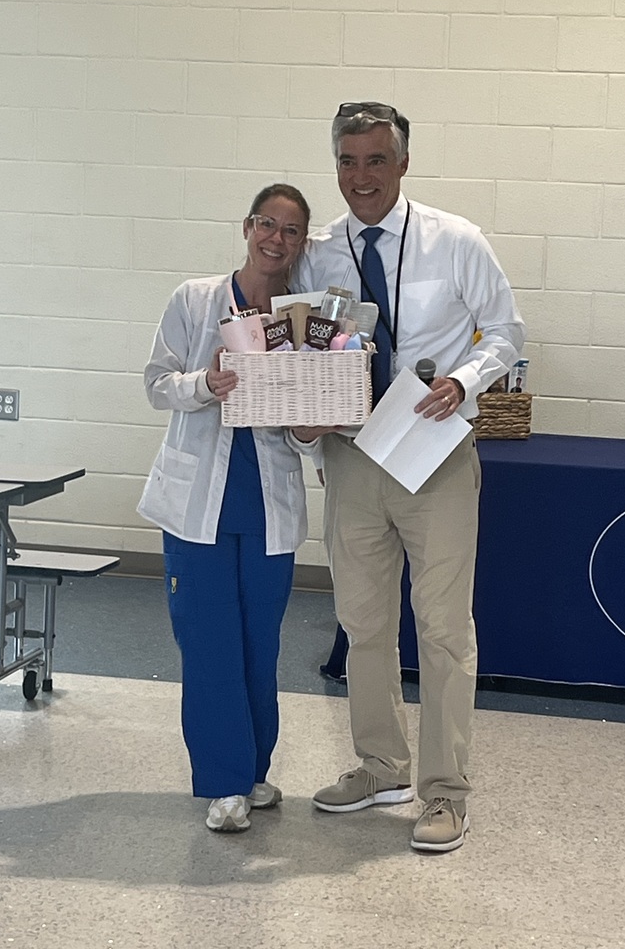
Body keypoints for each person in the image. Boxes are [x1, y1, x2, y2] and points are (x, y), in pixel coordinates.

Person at [291, 102, 525, 853]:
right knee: (362, 622)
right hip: (354, 456)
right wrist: (303, 409)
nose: (362, 177)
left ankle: (447, 792)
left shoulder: (455, 240)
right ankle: (381, 765)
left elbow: (506, 330)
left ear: (403, 163)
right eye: (348, 162)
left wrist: (463, 380)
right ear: (337, 166)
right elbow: (301, 344)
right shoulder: (319, 252)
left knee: (444, 629)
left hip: (434, 451)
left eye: (376, 160)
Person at [137, 183, 313, 834]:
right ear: (247, 227)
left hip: (268, 511)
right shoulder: (195, 299)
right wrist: (204, 385)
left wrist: (313, 427)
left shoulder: (306, 319)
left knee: (258, 648)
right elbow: (156, 384)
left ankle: (254, 770)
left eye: (291, 231)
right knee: (209, 646)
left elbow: (303, 422)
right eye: (268, 224)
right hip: (196, 511)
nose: (277, 240)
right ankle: (225, 782)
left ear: (301, 244)